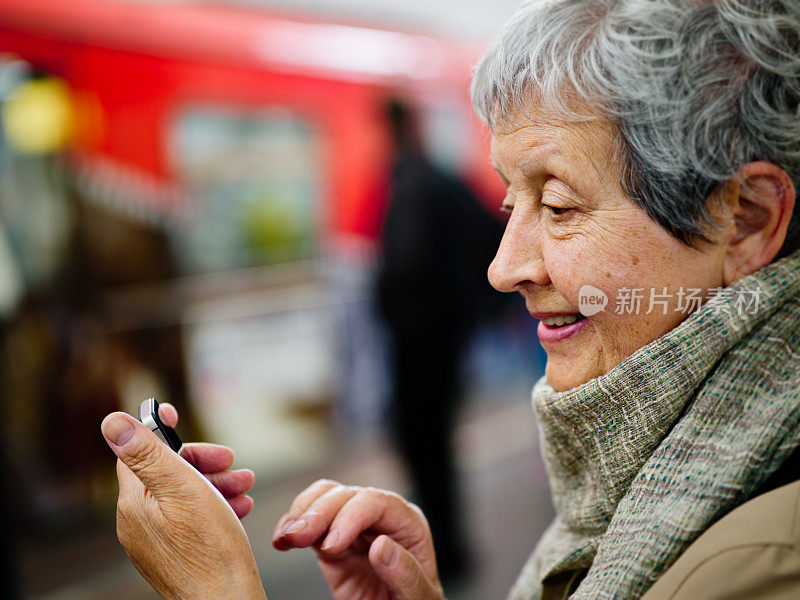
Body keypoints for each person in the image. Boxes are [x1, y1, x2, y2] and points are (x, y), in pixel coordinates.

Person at [100, 0, 800, 598]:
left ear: (744, 219)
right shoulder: (671, 470)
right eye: (509, 199)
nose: (504, 267)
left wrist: (218, 587)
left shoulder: (756, 562)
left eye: (557, 204)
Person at [376, 99, 506, 580]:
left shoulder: (411, 184)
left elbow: (404, 266)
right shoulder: (444, 179)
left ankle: (441, 554)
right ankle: (449, 549)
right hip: (446, 340)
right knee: (438, 447)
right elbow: (490, 231)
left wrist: (391, 305)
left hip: (418, 346)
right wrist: (477, 308)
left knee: (423, 447)